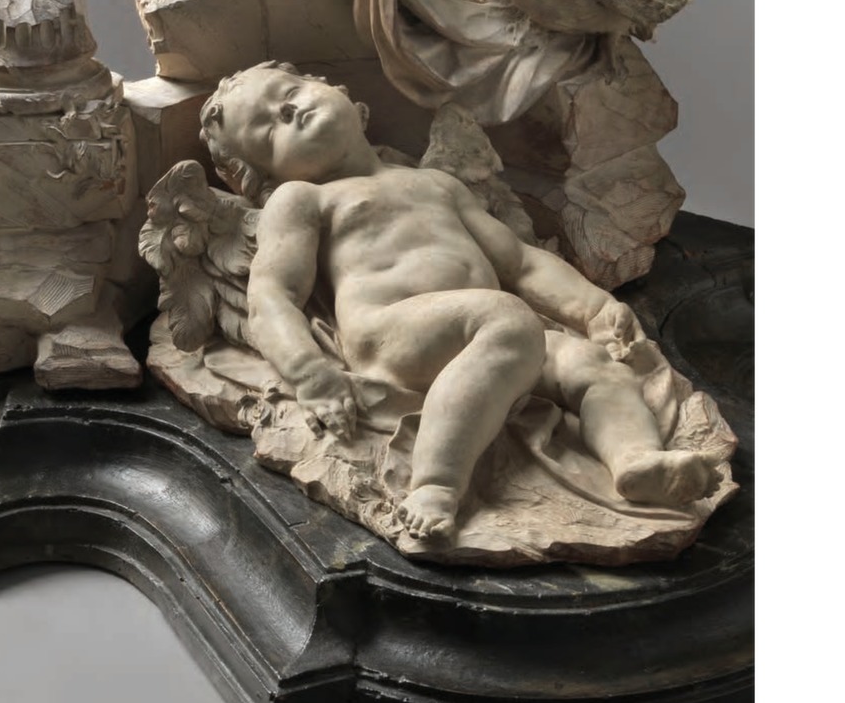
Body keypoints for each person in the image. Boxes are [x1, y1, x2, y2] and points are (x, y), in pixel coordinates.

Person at [200, 62, 719, 542]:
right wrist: (311, 376)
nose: (291, 111)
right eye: (269, 129)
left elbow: (520, 262)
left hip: (492, 331)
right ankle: (435, 484)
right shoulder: (302, 200)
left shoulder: (435, 184)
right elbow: (273, 295)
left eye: (290, 93)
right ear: (267, 177)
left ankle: (636, 461)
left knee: (591, 364)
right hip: (393, 335)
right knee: (507, 319)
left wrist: (593, 309)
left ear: (339, 93)